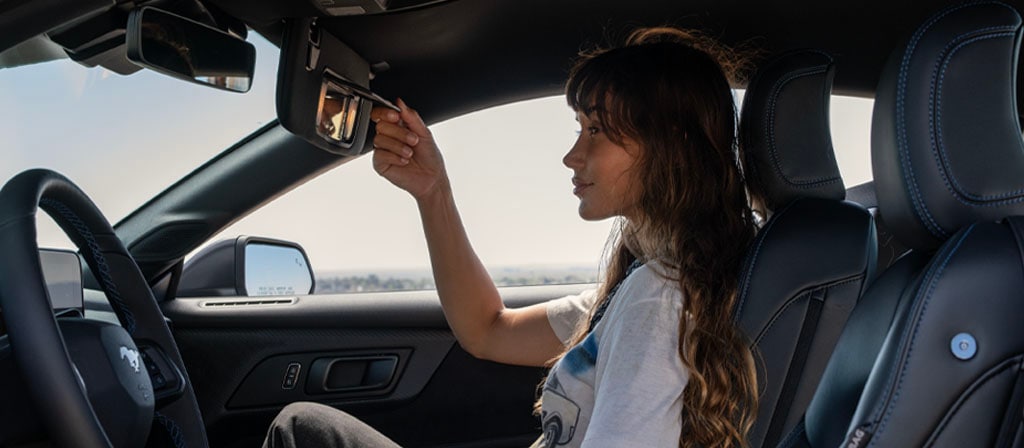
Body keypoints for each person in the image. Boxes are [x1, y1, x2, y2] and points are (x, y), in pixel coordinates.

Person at [264, 27, 760, 448]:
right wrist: (433, 193)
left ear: (669, 149)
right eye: (579, 127)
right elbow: (487, 329)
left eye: (596, 131)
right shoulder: (648, 287)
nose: (572, 154)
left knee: (301, 431)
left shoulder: (657, 303)